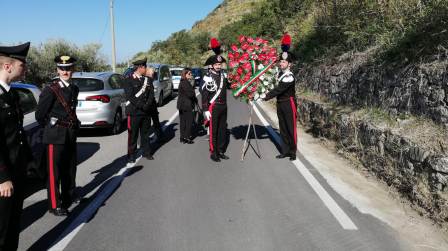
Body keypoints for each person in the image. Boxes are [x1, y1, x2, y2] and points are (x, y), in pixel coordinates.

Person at [36, 55, 80, 216]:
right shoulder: (51, 89)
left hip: (70, 134)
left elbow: (72, 110)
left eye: (68, 68)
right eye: (62, 68)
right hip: (55, 135)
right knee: (55, 172)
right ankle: (54, 204)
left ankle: (69, 196)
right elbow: (40, 115)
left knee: (70, 168)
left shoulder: (74, 88)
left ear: (73, 69)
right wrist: (52, 126)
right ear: (57, 70)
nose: (65, 71)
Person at [0, 42, 33, 251]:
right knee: (2, 230)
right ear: (8, 67)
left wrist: (30, 164)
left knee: (13, 225)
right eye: (23, 65)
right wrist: (2, 177)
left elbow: (17, 133)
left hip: (17, 170)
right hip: (4, 177)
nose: (26, 69)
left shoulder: (11, 94)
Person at [263, 33, 297, 160]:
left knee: (290, 128)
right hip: (280, 103)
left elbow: (278, 89)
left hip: (289, 103)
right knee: (282, 128)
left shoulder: (289, 76)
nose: (281, 63)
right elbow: (273, 86)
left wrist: (265, 96)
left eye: (284, 62)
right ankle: (285, 150)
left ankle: (293, 152)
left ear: (289, 64)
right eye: (281, 61)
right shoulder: (279, 74)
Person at [201, 38, 230, 162]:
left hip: (224, 105)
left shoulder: (223, 75)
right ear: (212, 65)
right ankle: (214, 152)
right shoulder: (208, 77)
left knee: (222, 130)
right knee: (214, 130)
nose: (219, 66)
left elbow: (230, 86)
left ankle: (221, 150)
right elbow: (204, 94)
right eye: (217, 64)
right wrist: (205, 109)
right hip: (214, 106)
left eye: (220, 64)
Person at [124, 58, 155, 163]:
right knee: (133, 135)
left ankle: (147, 152)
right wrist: (142, 105)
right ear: (140, 67)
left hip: (145, 112)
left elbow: (151, 95)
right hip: (134, 112)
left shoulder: (148, 80)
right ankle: (131, 155)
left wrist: (147, 105)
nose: (146, 69)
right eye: (145, 67)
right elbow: (130, 96)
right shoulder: (128, 80)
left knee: (146, 134)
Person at [177, 68, 196, 144]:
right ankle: (187, 137)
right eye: (189, 73)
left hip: (182, 105)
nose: (191, 75)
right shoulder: (185, 82)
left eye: (191, 73)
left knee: (183, 121)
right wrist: (193, 91)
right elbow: (190, 94)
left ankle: (182, 137)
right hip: (186, 105)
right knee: (188, 121)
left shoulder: (183, 82)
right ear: (185, 74)